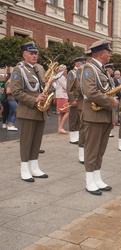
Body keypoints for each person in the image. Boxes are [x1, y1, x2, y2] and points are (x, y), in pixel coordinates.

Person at [80, 40, 117, 195]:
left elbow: (108, 90)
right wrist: (111, 102)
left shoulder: (101, 70)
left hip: (104, 116)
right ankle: (89, 181)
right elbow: (91, 92)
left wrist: (113, 114)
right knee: (92, 150)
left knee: (100, 150)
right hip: (94, 116)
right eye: (108, 52)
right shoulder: (89, 69)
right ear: (101, 53)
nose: (109, 54)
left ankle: (97, 177)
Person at [9, 41, 48, 182]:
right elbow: (16, 92)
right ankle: (25, 169)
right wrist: (35, 99)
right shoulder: (18, 70)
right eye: (31, 53)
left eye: (36, 53)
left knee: (36, 141)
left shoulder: (37, 69)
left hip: (40, 111)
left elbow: (41, 88)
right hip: (27, 111)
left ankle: (34, 167)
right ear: (24, 54)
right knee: (26, 142)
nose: (34, 55)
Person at [67, 56, 86, 144]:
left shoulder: (81, 72)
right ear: (77, 63)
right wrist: (72, 100)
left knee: (79, 119)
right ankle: (73, 138)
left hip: (81, 99)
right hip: (75, 99)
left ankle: (77, 136)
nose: (84, 64)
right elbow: (69, 88)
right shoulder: (72, 73)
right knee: (73, 118)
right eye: (82, 63)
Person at [53, 65, 69, 134]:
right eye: (65, 69)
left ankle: (60, 128)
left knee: (61, 113)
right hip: (63, 96)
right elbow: (66, 87)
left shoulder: (57, 77)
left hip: (59, 96)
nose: (66, 71)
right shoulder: (61, 77)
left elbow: (55, 86)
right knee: (67, 111)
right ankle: (61, 127)